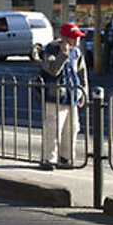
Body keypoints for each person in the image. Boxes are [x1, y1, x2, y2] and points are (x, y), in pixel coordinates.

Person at [37, 23, 90, 169]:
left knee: (72, 128)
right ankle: (49, 158)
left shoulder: (77, 53)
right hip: (55, 95)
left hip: (72, 95)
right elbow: (53, 70)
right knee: (53, 128)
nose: (78, 40)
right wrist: (63, 54)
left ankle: (66, 157)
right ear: (66, 38)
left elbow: (82, 74)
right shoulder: (51, 49)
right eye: (75, 37)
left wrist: (83, 94)